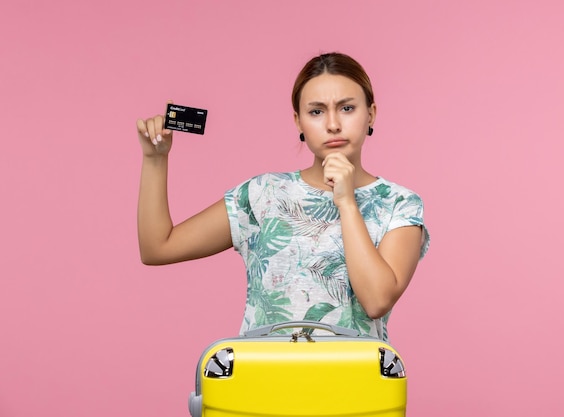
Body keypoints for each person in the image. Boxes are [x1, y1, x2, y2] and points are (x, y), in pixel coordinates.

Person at [136, 52, 429, 341]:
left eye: (347, 108)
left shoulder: (398, 204)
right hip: (264, 381)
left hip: (355, 383)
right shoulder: (265, 194)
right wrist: (154, 159)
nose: (332, 124)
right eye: (316, 112)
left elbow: (377, 300)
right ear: (298, 122)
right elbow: (157, 248)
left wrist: (347, 202)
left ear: (371, 114)